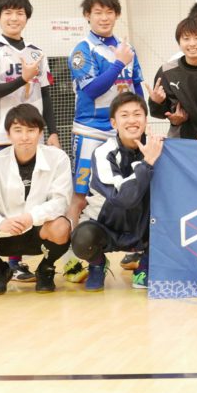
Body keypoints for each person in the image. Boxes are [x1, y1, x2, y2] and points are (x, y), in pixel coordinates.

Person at [0, 0, 59, 289]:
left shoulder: (37, 52)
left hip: (31, 139)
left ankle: (15, 262)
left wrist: (52, 132)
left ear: (27, 18)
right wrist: (23, 78)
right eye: (7, 12)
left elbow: (46, 96)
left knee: (24, 200)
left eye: (19, 13)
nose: (14, 18)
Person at [66, 0, 144, 283]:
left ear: (117, 15)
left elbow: (136, 88)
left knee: (134, 189)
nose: (104, 17)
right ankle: (74, 260)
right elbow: (91, 90)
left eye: (109, 12)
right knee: (81, 194)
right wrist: (118, 64)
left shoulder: (127, 48)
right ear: (87, 16)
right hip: (91, 131)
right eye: (97, 12)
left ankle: (139, 252)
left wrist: (142, 121)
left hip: (123, 132)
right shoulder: (82, 49)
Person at [0, 104, 73, 294]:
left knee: (61, 226)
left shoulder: (58, 158)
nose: (25, 137)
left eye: (31, 130)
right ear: (8, 134)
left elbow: (61, 201)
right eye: (18, 130)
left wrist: (31, 217)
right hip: (2, 233)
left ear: (40, 133)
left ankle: (46, 268)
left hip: (37, 231)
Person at [71, 92, 163, 292]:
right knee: (82, 240)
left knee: (174, 225)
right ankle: (97, 265)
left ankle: (145, 265)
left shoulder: (160, 148)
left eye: (137, 114)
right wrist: (146, 164)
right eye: (125, 115)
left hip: (144, 228)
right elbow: (123, 198)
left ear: (146, 119)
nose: (132, 120)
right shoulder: (103, 152)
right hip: (105, 227)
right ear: (114, 123)